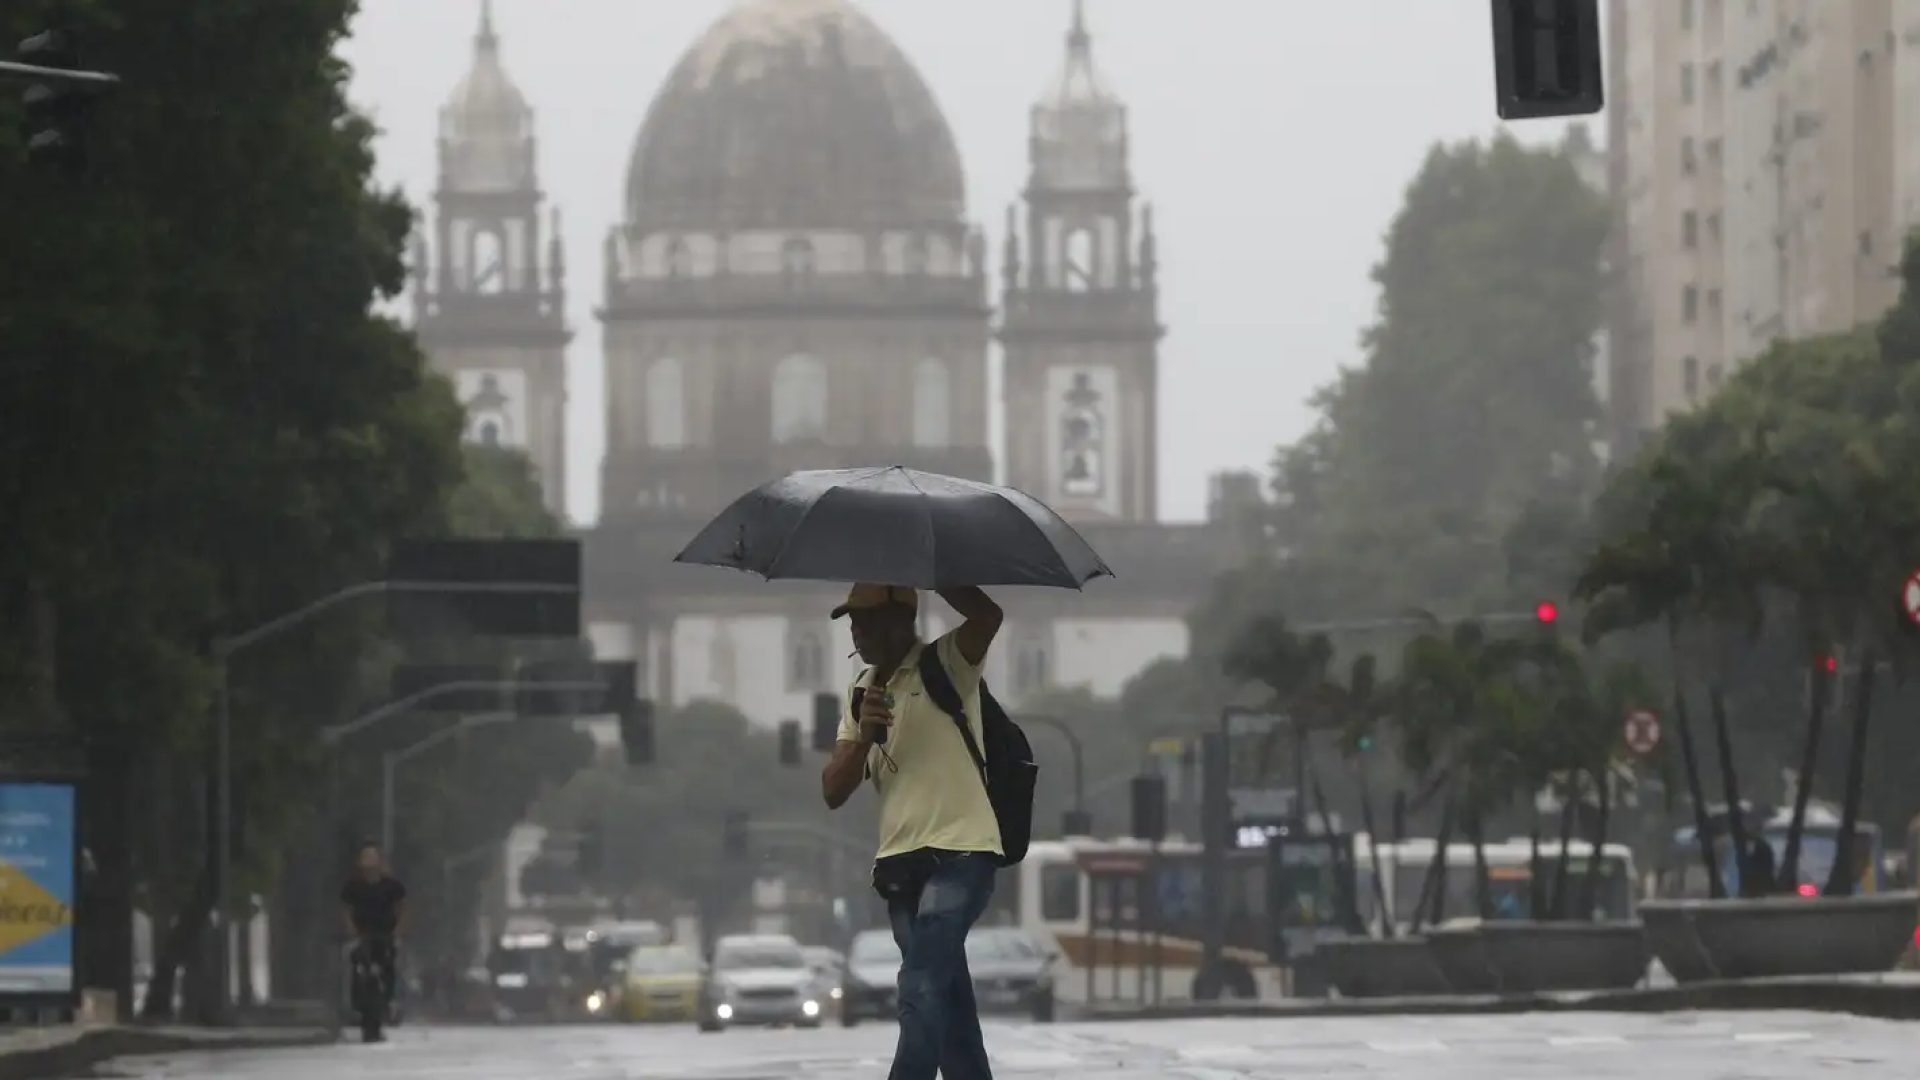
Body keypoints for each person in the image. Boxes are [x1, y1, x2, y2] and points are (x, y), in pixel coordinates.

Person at [821, 582, 1004, 1080]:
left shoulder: (946, 661)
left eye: (865, 619)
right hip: (901, 867)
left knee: (920, 982)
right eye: (852, 621)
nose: (855, 630)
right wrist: (862, 735)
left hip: (961, 853)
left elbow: (988, 616)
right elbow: (833, 790)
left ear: (902, 620)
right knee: (951, 1011)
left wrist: (938, 569)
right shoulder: (863, 689)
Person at [340, 843, 407, 1028]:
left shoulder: (392, 885)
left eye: (372, 857)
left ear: (379, 861)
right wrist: (351, 929)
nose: (368, 861)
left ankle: (392, 1001)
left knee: (392, 965)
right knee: (352, 964)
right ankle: (352, 1006)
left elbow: (402, 908)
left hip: (386, 935)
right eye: (365, 857)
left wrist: (398, 931)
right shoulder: (353, 886)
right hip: (361, 936)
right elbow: (346, 909)